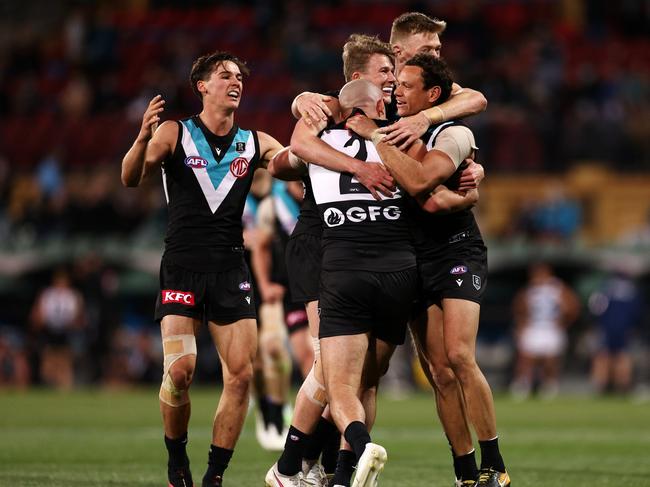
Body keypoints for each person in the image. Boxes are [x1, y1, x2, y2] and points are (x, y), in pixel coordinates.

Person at [121, 51, 286, 487]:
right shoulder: (175, 133)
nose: (235, 82)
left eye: (239, 77)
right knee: (179, 372)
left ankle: (214, 476)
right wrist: (141, 139)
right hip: (182, 266)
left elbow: (294, 160)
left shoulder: (255, 143)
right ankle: (177, 460)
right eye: (224, 75)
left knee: (242, 375)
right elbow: (130, 177)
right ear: (202, 86)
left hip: (231, 270)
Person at [346, 54, 509, 487]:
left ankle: (496, 465)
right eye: (394, 83)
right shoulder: (394, 128)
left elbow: (423, 187)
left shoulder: (452, 133)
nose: (395, 91)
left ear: (432, 95)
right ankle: (465, 473)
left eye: (406, 85)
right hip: (411, 258)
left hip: (456, 250)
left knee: (458, 355)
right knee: (437, 372)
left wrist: (375, 138)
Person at [511, 263, 580, 399]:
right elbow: (518, 307)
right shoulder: (530, 290)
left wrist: (564, 322)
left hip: (551, 327)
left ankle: (549, 386)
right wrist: (521, 324)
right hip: (533, 327)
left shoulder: (558, 288)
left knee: (551, 359)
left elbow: (573, 306)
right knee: (526, 358)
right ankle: (523, 385)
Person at [588, 267, 641, 394]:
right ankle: (621, 385)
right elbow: (637, 314)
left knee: (605, 356)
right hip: (624, 329)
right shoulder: (633, 292)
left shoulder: (605, 290)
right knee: (621, 357)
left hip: (607, 327)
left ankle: (603, 385)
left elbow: (595, 310)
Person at [30, 268, 86, 389]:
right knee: (48, 362)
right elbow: (37, 315)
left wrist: (73, 323)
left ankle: (64, 387)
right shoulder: (47, 295)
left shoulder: (73, 296)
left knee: (65, 360)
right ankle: (50, 385)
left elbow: (80, 317)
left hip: (66, 332)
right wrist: (41, 321)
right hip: (49, 331)